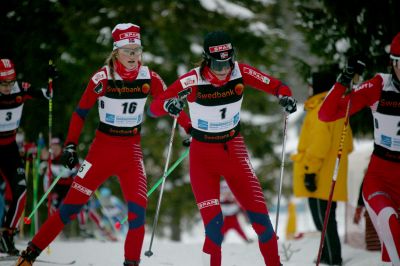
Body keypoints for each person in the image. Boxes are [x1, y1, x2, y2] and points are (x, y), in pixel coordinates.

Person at [15, 23, 188, 266]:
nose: (133, 56)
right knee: (69, 209)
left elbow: (169, 104)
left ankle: (131, 263)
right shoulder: (103, 78)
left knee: (137, 214)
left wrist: (188, 127)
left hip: (131, 153)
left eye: (137, 50)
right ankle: (29, 255)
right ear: (116, 51)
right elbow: (80, 113)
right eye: (128, 51)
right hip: (101, 152)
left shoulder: (150, 77)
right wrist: (71, 146)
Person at [149, 30, 297, 266]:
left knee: (263, 224)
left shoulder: (240, 71)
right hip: (202, 157)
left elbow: (278, 86)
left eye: (227, 62)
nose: (224, 69)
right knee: (215, 229)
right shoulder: (192, 80)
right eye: (218, 64)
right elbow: (154, 107)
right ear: (207, 60)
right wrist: (170, 104)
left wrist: (285, 97)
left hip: (234, 151)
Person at [319, 32, 400, 265]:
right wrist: (344, 79)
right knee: (390, 225)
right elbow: (326, 114)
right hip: (381, 180)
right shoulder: (378, 86)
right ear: (392, 63)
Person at [291, 70, 353, 265]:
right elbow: (348, 144)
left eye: (311, 85)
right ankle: (326, 254)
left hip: (320, 175)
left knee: (324, 220)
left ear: (318, 87)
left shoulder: (320, 109)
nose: (309, 88)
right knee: (325, 219)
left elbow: (319, 145)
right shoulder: (336, 107)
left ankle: (334, 258)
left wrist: (309, 171)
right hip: (330, 172)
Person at [0, 59, 51, 255]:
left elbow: (45, 94)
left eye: (10, 83)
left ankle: (7, 235)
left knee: (21, 189)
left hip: (10, 149)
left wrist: (51, 84)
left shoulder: (20, 89)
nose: (7, 88)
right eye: (3, 83)